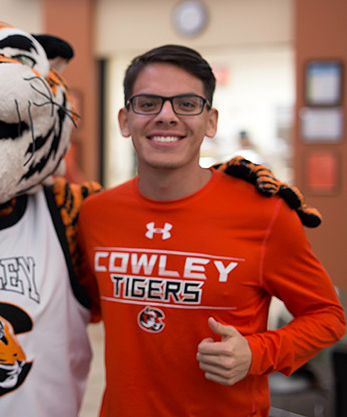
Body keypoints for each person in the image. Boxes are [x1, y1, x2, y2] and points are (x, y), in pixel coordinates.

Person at [76, 44, 346, 416]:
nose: (166, 116)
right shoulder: (96, 214)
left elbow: (328, 317)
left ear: (211, 121)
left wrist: (255, 352)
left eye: (186, 104)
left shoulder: (265, 213)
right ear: (125, 120)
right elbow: (78, 308)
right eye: (148, 103)